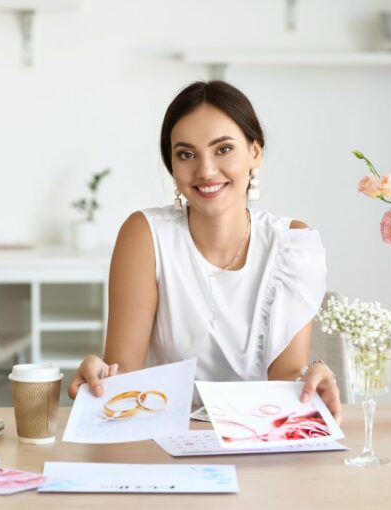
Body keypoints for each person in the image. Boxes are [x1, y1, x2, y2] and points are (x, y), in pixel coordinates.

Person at [67, 80, 341, 423]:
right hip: (162, 442)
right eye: (186, 154)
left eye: (223, 149)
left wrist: (310, 377)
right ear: (172, 163)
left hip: (257, 444)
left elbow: (284, 382)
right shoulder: (145, 236)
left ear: (254, 152)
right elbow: (125, 384)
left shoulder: (291, 244)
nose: (205, 170)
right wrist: (100, 376)